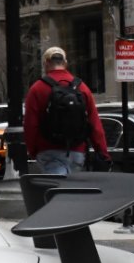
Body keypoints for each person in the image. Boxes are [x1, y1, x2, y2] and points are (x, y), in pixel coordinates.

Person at [23, 45, 111, 176]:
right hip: (77, 152)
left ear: (46, 63)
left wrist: (33, 150)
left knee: (56, 193)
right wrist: (103, 153)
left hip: (48, 150)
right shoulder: (82, 87)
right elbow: (94, 124)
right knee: (72, 192)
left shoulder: (37, 89)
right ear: (65, 63)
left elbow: (30, 125)